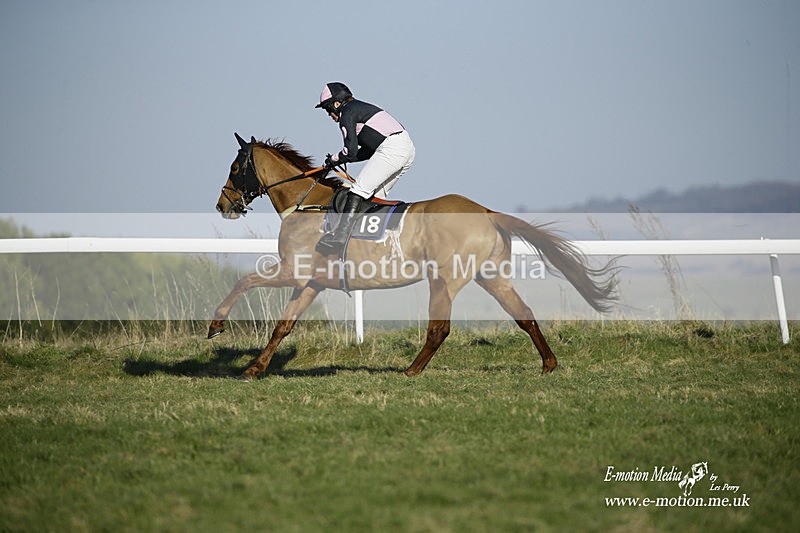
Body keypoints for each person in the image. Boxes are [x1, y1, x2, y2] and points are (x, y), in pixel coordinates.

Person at [314, 82, 415, 255]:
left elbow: (350, 152)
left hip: (392, 148)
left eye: (327, 109)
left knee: (357, 191)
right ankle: (371, 246)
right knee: (373, 199)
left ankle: (340, 236)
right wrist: (338, 161)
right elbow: (366, 152)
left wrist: (333, 159)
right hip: (406, 148)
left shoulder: (347, 114)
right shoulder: (359, 108)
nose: (329, 115)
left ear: (336, 104)